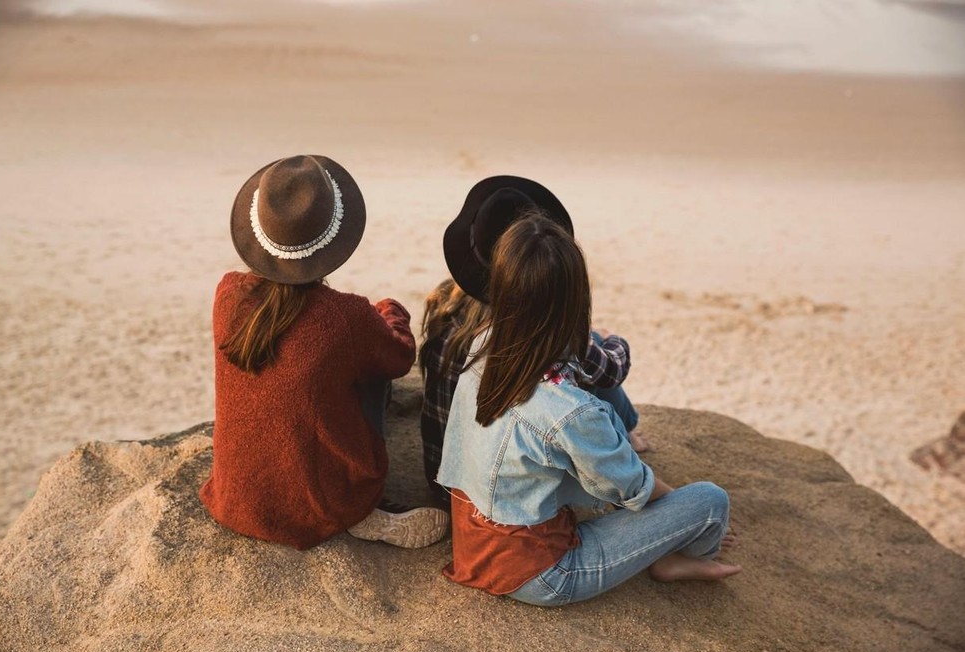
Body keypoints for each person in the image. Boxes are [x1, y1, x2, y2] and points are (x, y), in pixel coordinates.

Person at [437, 213, 741, 606]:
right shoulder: (568, 410)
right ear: (575, 301)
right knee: (710, 501)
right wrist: (682, 511)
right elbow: (633, 487)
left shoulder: (484, 343)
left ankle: (674, 540)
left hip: (473, 541)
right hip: (542, 574)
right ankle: (679, 558)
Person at [199, 155, 448, 550]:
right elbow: (400, 358)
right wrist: (389, 311)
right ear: (332, 238)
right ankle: (364, 509)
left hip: (236, 500)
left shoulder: (227, 293)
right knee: (370, 374)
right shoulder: (344, 317)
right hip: (318, 504)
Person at [420, 176, 649, 505]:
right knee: (593, 345)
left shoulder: (445, 304)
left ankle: (625, 430)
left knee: (583, 351)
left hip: (443, 479)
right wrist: (615, 341)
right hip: (501, 496)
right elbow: (611, 370)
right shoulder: (530, 333)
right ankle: (625, 431)